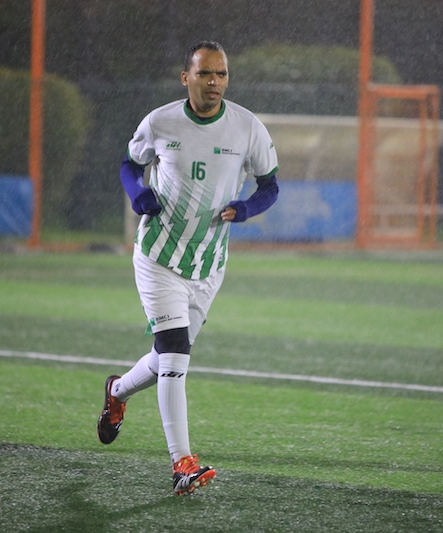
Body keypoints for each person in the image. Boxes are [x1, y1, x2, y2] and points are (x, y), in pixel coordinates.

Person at [97, 40, 279, 495]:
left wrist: (248, 207)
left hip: (208, 264)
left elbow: (270, 186)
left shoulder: (247, 127)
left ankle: (117, 392)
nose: (214, 82)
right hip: (158, 256)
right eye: (204, 74)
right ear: (186, 78)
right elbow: (129, 165)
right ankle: (182, 463)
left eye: (221, 74)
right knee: (176, 350)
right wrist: (138, 194)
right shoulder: (160, 121)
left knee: (166, 358)